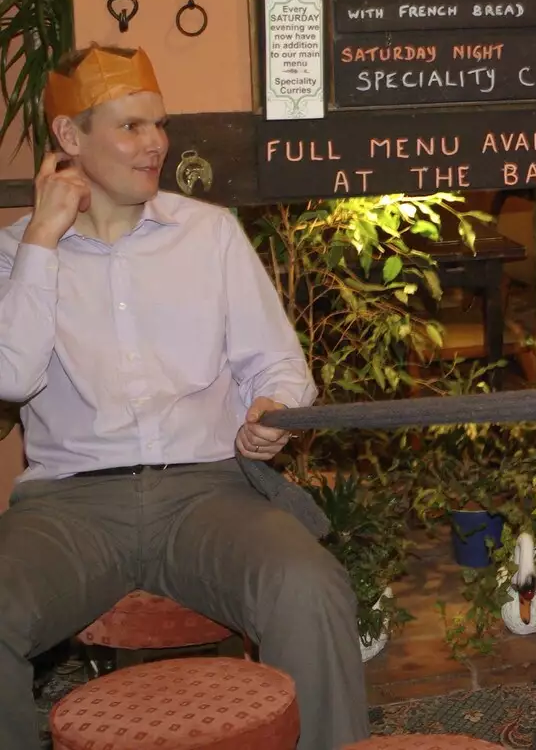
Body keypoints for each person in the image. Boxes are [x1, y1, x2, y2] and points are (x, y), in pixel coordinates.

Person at [0, 45, 368, 749]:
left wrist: (270, 412)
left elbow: (279, 366)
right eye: (132, 126)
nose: (157, 143)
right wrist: (44, 236)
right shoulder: (18, 254)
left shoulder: (209, 233)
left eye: (159, 124)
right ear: (70, 139)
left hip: (208, 491)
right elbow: (11, 378)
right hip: (71, 507)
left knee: (309, 587)